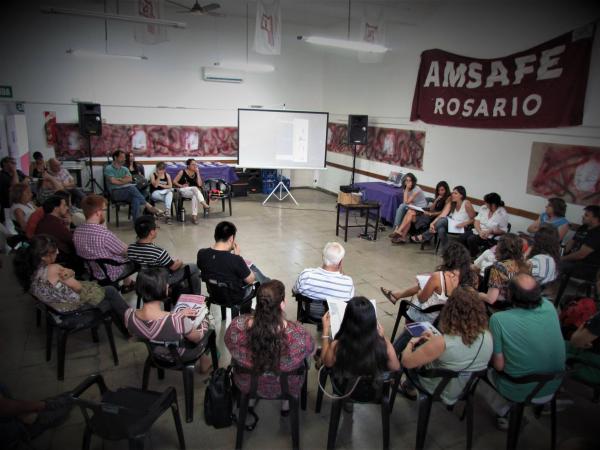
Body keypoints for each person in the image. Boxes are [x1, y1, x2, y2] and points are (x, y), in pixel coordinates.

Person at [481, 274, 565, 430]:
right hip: (553, 385)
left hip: (519, 389)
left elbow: (499, 366)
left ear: (510, 295)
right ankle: (542, 406)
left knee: (478, 372)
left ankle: (505, 413)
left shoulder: (499, 319)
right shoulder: (549, 306)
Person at [225, 280, 315, 412]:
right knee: (305, 360)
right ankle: (286, 404)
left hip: (246, 383)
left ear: (259, 304)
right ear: (282, 304)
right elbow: (310, 349)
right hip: (286, 386)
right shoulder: (299, 334)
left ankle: (249, 400)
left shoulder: (236, 327)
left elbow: (228, 343)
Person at [13, 234, 129, 333]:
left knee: (109, 291)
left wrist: (70, 272)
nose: (57, 253)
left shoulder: (29, 273)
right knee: (111, 293)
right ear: (43, 256)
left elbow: (63, 281)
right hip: (75, 311)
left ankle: (128, 327)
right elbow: (78, 288)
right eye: (54, 251)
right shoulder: (53, 269)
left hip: (57, 309)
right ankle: (132, 326)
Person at [399, 286, 493, 404]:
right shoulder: (488, 336)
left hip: (440, 388)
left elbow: (406, 362)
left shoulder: (443, 342)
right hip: (465, 388)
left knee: (409, 345)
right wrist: (435, 341)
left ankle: (407, 386)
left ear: (450, 310)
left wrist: (412, 342)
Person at [125, 267, 212, 368]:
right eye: (166, 284)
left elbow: (151, 327)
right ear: (163, 289)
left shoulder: (129, 315)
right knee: (208, 322)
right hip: (180, 355)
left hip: (155, 353)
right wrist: (205, 320)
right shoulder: (178, 321)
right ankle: (205, 362)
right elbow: (197, 339)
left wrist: (175, 315)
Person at [381, 241, 474, 323]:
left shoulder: (439, 277)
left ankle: (409, 329)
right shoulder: (467, 278)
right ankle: (395, 295)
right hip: (446, 317)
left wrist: (419, 291)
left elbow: (421, 299)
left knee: (417, 293)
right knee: (423, 284)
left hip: (428, 316)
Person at [321, 296, 400, 385]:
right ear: (372, 321)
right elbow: (395, 367)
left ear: (347, 320)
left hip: (344, 390)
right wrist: (381, 338)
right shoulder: (384, 344)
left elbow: (326, 363)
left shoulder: (338, 345)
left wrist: (325, 330)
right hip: (372, 392)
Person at [73, 194, 135, 290]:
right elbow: (127, 251)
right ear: (98, 213)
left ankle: (128, 283)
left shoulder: (77, 231)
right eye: (104, 210)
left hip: (93, 271)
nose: (105, 213)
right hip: (111, 272)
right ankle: (132, 285)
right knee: (136, 257)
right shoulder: (104, 235)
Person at [128, 215, 201, 294]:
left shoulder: (131, 249)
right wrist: (179, 262)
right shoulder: (158, 252)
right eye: (155, 228)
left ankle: (183, 291)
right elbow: (173, 267)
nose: (156, 230)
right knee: (193, 267)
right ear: (152, 233)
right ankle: (194, 296)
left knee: (190, 273)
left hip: (143, 280)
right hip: (160, 281)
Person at [197, 221, 268, 302]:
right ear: (231, 238)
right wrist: (237, 257)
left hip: (214, 294)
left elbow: (214, 263)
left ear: (215, 236)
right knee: (253, 270)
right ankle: (271, 287)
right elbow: (251, 280)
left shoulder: (201, 254)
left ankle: (269, 283)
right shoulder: (235, 259)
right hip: (234, 298)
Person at [292, 242, 354, 319]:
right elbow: (349, 301)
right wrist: (342, 274)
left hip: (310, 313)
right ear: (340, 262)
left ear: (323, 257)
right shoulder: (347, 283)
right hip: (333, 316)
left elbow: (295, 291)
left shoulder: (306, 275)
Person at [0, 386, 73, 448]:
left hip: (15, 414)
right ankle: (21, 435)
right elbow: (4, 406)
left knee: (65, 399)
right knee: (62, 408)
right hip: (12, 428)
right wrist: (46, 405)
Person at [412, 186, 476, 252]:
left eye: (455, 193)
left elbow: (474, 219)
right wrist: (432, 223)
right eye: (452, 193)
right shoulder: (452, 203)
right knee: (441, 229)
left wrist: (464, 223)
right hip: (452, 225)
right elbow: (442, 215)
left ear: (461, 195)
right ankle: (447, 250)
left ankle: (423, 236)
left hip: (462, 227)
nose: (453, 195)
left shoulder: (466, 203)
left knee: (443, 221)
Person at [103, 150, 161, 222]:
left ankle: (137, 222)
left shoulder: (125, 169)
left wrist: (119, 180)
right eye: (122, 157)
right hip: (115, 192)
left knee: (136, 197)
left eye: (124, 157)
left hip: (127, 192)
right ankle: (148, 206)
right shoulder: (108, 168)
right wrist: (124, 180)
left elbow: (130, 179)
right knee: (131, 188)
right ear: (115, 157)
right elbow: (113, 181)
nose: (124, 159)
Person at [566, 271, 600, 387]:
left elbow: (575, 341)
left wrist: (586, 324)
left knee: (550, 348)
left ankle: (547, 388)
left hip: (593, 366)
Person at [479, 233, 531, 305]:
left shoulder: (499, 267)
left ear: (501, 249)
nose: (495, 248)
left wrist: (476, 294)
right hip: (517, 303)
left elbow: (490, 299)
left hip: (501, 304)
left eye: (497, 245)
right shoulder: (526, 265)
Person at [35, 195, 81, 272]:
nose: (67, 208)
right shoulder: (54, 223)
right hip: (59, 256)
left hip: (49, 253)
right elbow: (72, 240)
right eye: (64, 205)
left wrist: (67, 224)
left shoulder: (46, 220)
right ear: (56, 208)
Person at [560, 205, 600, 283]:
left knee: (557, 265)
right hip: (572, 260)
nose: (583, 216)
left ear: (596, 219)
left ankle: (553, 289)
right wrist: (559, 254)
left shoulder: (597, 234)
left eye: (586, 215)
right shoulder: (583, 227)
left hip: (586, 266)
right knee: (550, 259)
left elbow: (581, 255)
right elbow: (570, 245)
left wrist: (562, 258)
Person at [465, 192, 510, 257]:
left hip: (490, 236)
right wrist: (480, 231)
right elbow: (476, 221)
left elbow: (503, 230)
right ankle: (465, 254)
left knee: (471, 239)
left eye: (486, 202)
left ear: (493, 204)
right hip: (478, 231)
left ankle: (473, 256)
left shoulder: (502, 214)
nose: (485, 204)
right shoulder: (483, 208)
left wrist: (491, 231)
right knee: (463, 237)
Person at [173, 158, 209, 225]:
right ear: (188, 166)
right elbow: (174, 181)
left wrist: (198, 173)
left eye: (196, 164)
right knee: (195, 188)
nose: (195, 166)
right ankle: (203, 203)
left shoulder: (196, 173)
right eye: (193, 164)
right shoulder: (182, 172)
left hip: (192, 192)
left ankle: (194, 217)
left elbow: (200, 184)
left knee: (195, 194)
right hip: (183, 191)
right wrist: (181, 185)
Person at [1, 156, 28, 226]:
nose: (15, 165)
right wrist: (14, 171)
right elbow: (16, 186)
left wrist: (22, 184)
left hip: (22, 202)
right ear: (4, 164)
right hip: (9, 206)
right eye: (12, 163)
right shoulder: (2, 175)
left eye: (15, 163)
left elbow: (27, 178)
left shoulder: (19, 171)